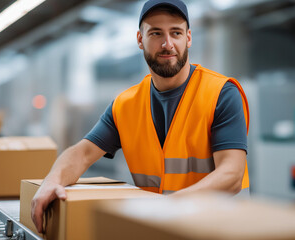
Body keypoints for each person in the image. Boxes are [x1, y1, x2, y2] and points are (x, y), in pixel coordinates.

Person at [31, 0, 250, 233]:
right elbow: (81, 153)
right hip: (161, 231)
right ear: (139, 39)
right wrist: (51, 181)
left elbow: (232, 174)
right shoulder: (126, 104)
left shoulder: (221, 93)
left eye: (175, 32)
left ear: (188, 38)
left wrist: (167, 207)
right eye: (156, 33)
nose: (167, 44)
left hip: (220, 231)